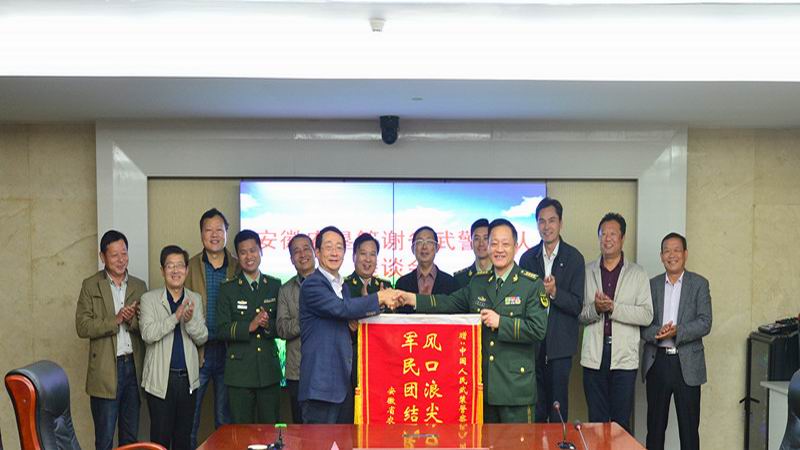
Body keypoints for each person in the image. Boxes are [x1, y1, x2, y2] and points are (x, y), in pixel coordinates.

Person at [399, 219, 548, 423]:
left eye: (505, 244)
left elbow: (538, 329)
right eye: (494, 243)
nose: (499, 249)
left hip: (516, 390)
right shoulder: (478, 283)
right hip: (483, 388)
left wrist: (501, 322)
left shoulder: (530, 284)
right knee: (483, 440)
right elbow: (448, 302)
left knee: (517, 441)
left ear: (515, 246)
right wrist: (411, 299)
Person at [298, 226, 401, 424]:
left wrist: (352, 323)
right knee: (319, 441)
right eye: (329, 247)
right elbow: (341, 309)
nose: (334, 252)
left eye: (339, 247)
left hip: (343, 386)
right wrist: (379, 297)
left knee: (344, 440)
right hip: (320, 388)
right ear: (317, 252)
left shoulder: (343, 287)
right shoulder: (312, 284)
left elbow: (342, 318)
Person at [580, 213, 653, 432]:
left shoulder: (637, 273)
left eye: (613, 234)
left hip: (623, 357)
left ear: (622, 238)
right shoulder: (587, 271)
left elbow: (646, 315)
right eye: (603, 234)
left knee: (620, 423)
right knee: (596, 421)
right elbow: (579, 314)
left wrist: (613, 308)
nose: (608, 238)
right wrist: (596, 308)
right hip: (594, 355)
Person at [75, 230, 147, 450]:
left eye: (124, 253)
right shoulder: (91, 285)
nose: (121, 259)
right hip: (105, 369)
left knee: (130, 438)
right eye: (114, 255)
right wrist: (115, 320)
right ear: (102, 257)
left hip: (133, 367)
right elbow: (82, 326)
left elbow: (147, 328)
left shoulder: (139, 286)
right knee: (105, 439)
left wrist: (131, 320)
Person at [642, 233, 712, 450]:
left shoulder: (699, 284)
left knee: (689, 432)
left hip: (687, 365)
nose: (671, 255)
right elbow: (642, 323)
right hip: (658, 363)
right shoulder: (651, 285)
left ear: (685, 254)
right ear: (661, 256)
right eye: (667, 251)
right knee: (655, 430)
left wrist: (676, 332)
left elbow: (705, 322)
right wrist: (659, 333)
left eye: (676, 250)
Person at [519, 197, 585, 423]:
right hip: (533, 346)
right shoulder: (527, 259)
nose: (546, 226)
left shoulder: (574, 258)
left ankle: (559, 442)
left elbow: (577, 305)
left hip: (560, 347)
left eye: (552, 220)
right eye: (541, 221)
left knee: (558, 410)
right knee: (535, 410)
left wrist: (555, 292)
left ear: (561, 223)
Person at [139, 245, 208, 450]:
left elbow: (202, 337)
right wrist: (175, 317)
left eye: (180, 266)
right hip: (161, 380)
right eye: (170, 266)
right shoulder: (149, 299)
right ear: (162, 270)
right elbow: (148, 334)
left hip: (187, 380)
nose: (175, 270)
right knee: (160, 439)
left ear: (186, 270)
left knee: (183, 439)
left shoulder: (194, 299)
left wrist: (189, 321)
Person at [184, 208, 238, 448]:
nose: (214, 235)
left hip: (229, 351)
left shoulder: (237, 266)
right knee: (191, 418)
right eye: (209, 230)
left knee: (224, 419)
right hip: (199, 352)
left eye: (219, 229)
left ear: (227, 232)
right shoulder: (189, 266)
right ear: (201, 234)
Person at [217, 230, 282, 424]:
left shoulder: (274, 285)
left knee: (270, 429)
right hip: (239, 373)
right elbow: (221, 329)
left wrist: (268, 325)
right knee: (241, 432)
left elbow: (281, 327)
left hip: (268, 371)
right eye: (243, 252)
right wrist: (250, 326)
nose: (249, 256)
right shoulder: (228, 288)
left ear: (261, 251)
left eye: (253, 250)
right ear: (237, 256)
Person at [342, 233, 392, 422]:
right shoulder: (344, 286)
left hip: (380, 361)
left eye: (373, 254)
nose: (368, 259)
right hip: (352, 360)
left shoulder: (385, 287)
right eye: (363, 254)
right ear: (354, 256)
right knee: (351, 413)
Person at [276, 233, 316, 424]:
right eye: (296, 251)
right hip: (297, 371)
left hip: (325, 370)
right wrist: (306, 319)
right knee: (301, 428)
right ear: (292, 259)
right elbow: (282, 329)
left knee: (328, 430)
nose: (302, 254)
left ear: (315, 252)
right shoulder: (285, 290)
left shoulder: (331, 284)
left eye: (306, 248)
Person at [395, 226, 459, 312]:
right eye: (419, 242)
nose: (424, 247)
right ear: (413, 249)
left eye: (429, 242)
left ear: (437, 248)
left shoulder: (451, 283)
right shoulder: (402, 283)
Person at [454, 218, 491, 289]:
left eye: (485, 238)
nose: (481, 244)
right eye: (477, 239)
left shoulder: (502, 274)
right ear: (471, 244)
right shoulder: (460, 279)